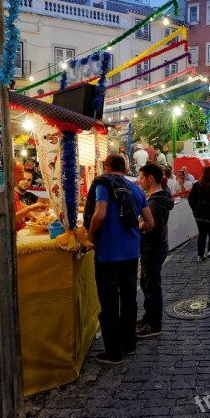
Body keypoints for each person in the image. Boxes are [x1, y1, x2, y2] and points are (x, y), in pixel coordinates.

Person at [85, 154, 154, 364]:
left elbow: (100, 214)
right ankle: (129, 344)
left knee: (109, 303)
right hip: (131, 254)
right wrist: (133, 232)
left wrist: (89, 236)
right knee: (129, 300)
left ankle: (114, 353)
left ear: (106, 166)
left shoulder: (104, 185)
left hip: (108, 254)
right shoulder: (135, 188)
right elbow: (150, 223)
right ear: (124, 167)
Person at [137, 164, 175, 339]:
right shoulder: (160, 196)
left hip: (153, 249)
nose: (140, 181)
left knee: (152, 287)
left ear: (151, 178)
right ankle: (149, 317)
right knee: (147, 284)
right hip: (155, 248)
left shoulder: (155, 202)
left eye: (142, 178)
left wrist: (138, 230)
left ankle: (154, 325)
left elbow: (156, 228)